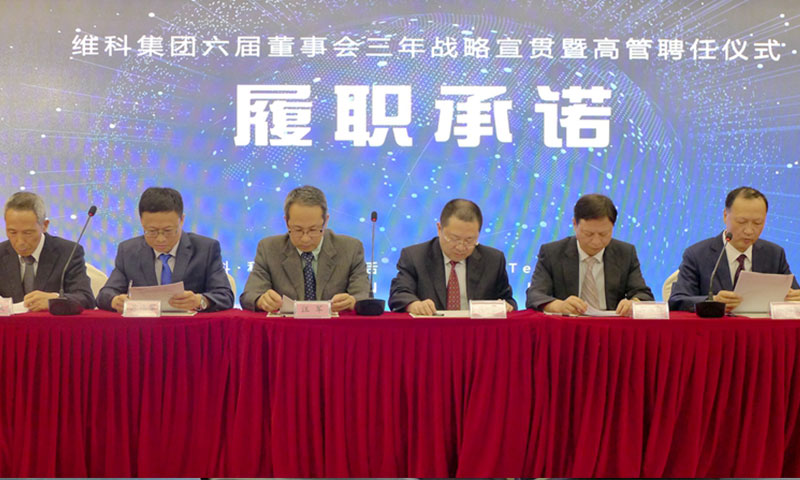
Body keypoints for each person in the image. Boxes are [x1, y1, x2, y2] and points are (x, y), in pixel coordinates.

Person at [96, 187, 233, 312]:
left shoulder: (206, 249)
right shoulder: (128, 251)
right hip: (145, 327)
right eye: (152, 231)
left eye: (168, 231)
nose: (160, 239)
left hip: (189, 327)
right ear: (141, 222)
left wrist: (201, 301)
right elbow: (105, 294)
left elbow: (225, 296)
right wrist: (115, 301)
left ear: (181, 220)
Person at [669, 186, 800, 312]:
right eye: (742, 221)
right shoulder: (697, 254)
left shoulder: (774, 254)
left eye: (757, 223)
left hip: (760, 326)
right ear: (725, 216)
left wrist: (795, 297)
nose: (749, 231)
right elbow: (677, 300)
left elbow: (795, 294)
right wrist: (713, 301)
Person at [240, 185, 369, 312]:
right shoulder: (269, 249)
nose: (305, 239)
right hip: (287, 325)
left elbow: (364, 296)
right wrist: (261, 300)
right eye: (298, 230)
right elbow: (249, 295)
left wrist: (353, 302)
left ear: (325, 222)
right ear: (287, 222)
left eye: (313, 230)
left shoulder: (350, 249)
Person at [525, 193, 653, 316]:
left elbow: (644, 294)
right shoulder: (552, 252)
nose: (596, 241)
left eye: (603, 234)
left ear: (613, 226)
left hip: (611, 325)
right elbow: (535, 294)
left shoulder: (625, 253)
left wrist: (633, 303)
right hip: (569, 324)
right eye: (588, 234)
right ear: (575, 224)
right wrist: (558, 306)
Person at [388, 199, 516, 314]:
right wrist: (414, 305)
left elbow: (508, 300)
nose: (461, 247)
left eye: (469, 240)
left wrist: (505, 306)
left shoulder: (493, 260)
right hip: (431, 330)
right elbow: (399, 294)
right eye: (454, 238)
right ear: (439, 229)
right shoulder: (415, 257)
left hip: (476, 331)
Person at [0, 191, 95, 311]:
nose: (20, 242)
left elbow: (86, 299)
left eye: (27, 233)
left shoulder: (69, 252)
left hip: (51, 322)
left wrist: (56, 300)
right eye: (12, 232)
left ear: (44, 225)